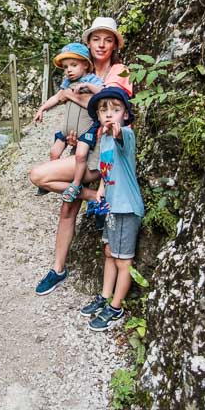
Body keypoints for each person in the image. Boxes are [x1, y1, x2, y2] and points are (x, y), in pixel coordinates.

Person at [29, 17, 133, 295]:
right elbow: (83, 110)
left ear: (114, 45)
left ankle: (97, 199)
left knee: (39, 175)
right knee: (67, 206)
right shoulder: (78, 72)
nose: (101, 45)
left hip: (106, 154)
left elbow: (112, 108)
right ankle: (58, 268)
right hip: (82, 146)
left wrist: (72, 96)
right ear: (88, 43)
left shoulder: (118, 71)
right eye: (96, 39)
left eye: (108, 40)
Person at [78, 88, 144, 330]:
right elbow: (107, 168)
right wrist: (101, 189)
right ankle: (105, 297)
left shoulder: (125, 133)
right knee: (108, 252)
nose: (109, 115)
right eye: (104, 110)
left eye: (116, 110)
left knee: (123, 260)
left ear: (126, 115)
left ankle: (116, 307)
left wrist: (116, 131)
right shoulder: (103, 138)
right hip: (111, 206)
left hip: (126, 207)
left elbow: (121, 139)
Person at [33, 43, 104, 168]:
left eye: (74, 65)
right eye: (65, 67)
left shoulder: (92, 79)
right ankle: (52, 174)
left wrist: (87, 86)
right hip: (67, 128)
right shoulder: (67, 83)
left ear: (86, 65)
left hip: (85, 129)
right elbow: (56, 97)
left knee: (80, 156)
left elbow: (103, 93)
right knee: (54, 152)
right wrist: (42, 109)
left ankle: (77, 184)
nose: (69, 70)